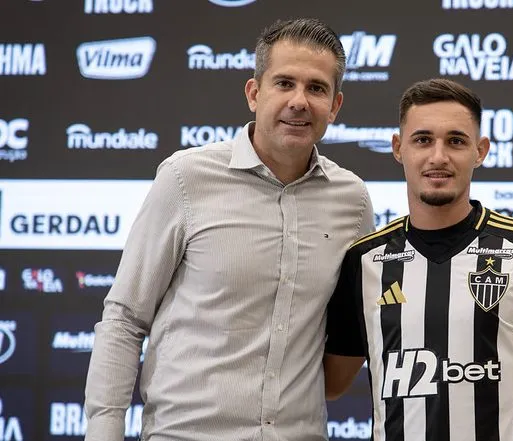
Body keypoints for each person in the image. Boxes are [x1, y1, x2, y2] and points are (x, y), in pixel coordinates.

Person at [84, 18, 375, 441]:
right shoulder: (185, 178)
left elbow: (348, 341)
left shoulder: (353, 201)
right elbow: (125, 319)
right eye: (284, 83)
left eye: (316, 88)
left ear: (335, 106)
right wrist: (104, 431)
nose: (299, 101)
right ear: (254, 93)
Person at [323, 78, 513, 441]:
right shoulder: (364, 261)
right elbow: (332, 383)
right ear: (398, 148)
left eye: (456, 141)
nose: (438, 157)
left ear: (480, 150)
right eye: (423, 140)